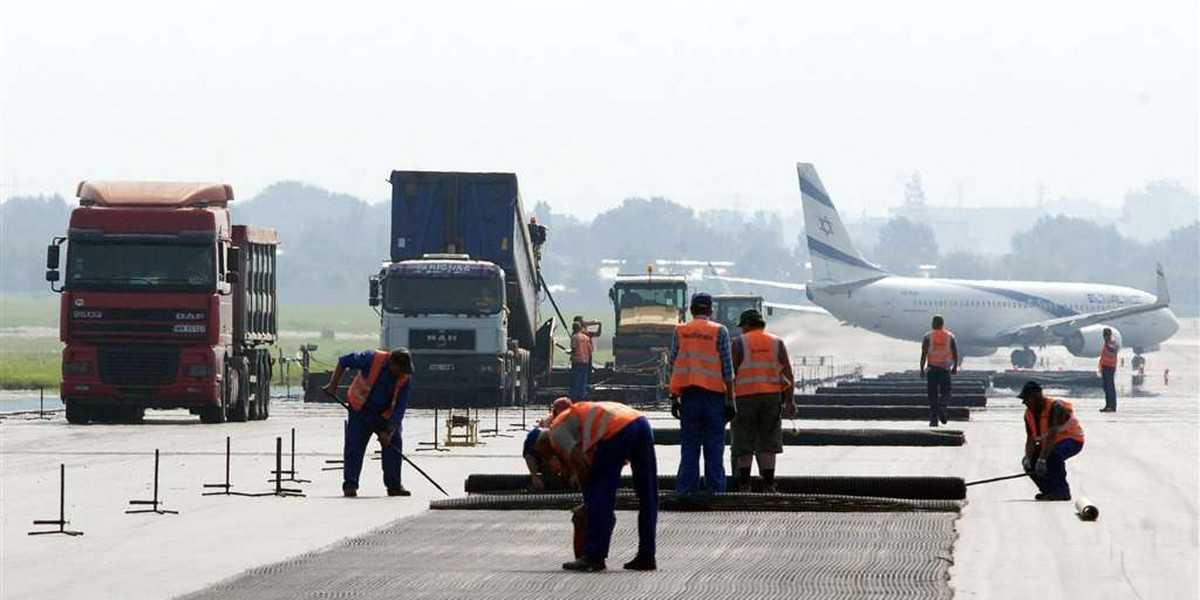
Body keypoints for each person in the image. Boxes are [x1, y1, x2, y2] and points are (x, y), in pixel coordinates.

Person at [536, 401, 658, 572]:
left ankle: (594, 557)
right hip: (640, 422)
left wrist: (589, 503)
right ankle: (647, 556)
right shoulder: (583, 426)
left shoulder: (556, 432)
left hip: (615, 430)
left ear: (551, 450)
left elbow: (579, 462)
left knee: (598, 493)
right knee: (648, 494)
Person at [668, 292, 735, 495]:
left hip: (689, 397)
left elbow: (673, 364)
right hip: (714, 398)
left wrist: (673, 398)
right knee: (714, 447)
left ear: (691, 310)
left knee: (689, 447)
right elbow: (727, 369)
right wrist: (730, 401)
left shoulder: (680, 331)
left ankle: (686, 492)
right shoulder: (719, 331)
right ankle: (715, 493)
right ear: (710, 310)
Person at [324, 348, 414, 497]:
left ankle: (394, 486)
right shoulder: (371, 358)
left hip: (385, 416)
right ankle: (350, 485)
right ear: (391, 363)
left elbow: (400, 408)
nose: (402, 374)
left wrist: (389, 432)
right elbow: (343, 361)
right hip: (361, 411)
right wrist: (333, 386)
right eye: (400, 370)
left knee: (393, 444)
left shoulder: (405, 377)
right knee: (354, 447)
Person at [730, 309, 796, 493]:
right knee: (769, 443)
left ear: (747, 325)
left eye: (743, 326)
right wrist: (790, 401)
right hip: (771, 397)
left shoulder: (738, 343)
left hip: (744, 398)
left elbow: (730, 374)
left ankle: (744, 486)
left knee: (744, 443)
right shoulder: (777, 342)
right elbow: (788, 373)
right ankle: (768, 485)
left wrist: (727, 400)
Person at [1018, 381, 1085, 501]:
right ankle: (1048, 490)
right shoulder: (1028, 414)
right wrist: (1029, 459)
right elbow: (1030, 439)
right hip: (1051, 444)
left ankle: (1062, 492)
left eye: (1027, 399)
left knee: (1053, 455)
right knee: (1031, 462)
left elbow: (1052, 436)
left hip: (1072, 440)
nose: (1024, 403)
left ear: (1037, 396)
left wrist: (1042, 459)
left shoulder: (1056, 408)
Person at [919, 315, 958, 427]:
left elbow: (923, 354)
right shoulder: (950, 336)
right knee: (946, 392)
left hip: (932, 369)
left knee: (932, 395)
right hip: (944, 369)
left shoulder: (928, 336)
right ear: (942, 324)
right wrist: (954, 367)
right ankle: (943, 407)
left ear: (933, 324)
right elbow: (955, 353)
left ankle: (933, 420)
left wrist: (921, 369)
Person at [569, 316, 602, 401]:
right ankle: (583, 395)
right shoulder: (586, 336)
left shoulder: (575, 336)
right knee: (583, 378)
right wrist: (597, 323)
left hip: (577, 360)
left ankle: (575, 397)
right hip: (586, 358)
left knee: (576, 379)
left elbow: (574, 348)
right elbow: (591, 349)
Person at [1099, 328, 1119, 412]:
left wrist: (1107, 342)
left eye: (1105, 334)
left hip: (1109, 367)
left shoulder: (1112, 341)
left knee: (1110, 387)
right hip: (1105, 366)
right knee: (1106, 387)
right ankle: (1108, 405)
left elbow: (1112, 350)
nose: (1104, 337)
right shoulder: (1107, 342)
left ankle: (1112, 406)